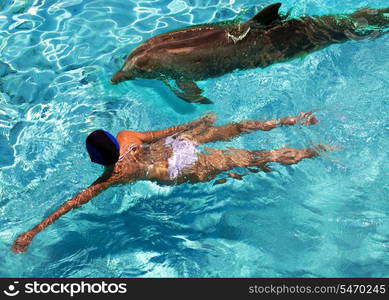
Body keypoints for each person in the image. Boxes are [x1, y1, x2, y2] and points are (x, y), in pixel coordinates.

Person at [12, 111, 328, 253]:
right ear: (113, 138)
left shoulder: (111, 177)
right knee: (236, 129)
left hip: (182, 167)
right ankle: (289, 120)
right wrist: (197, 123)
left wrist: (32, 232)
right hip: (181, 144)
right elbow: (163, 133)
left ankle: (313, 151)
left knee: (255, 159)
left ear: (96, 160)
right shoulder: (127, 137)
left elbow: (72, 203)